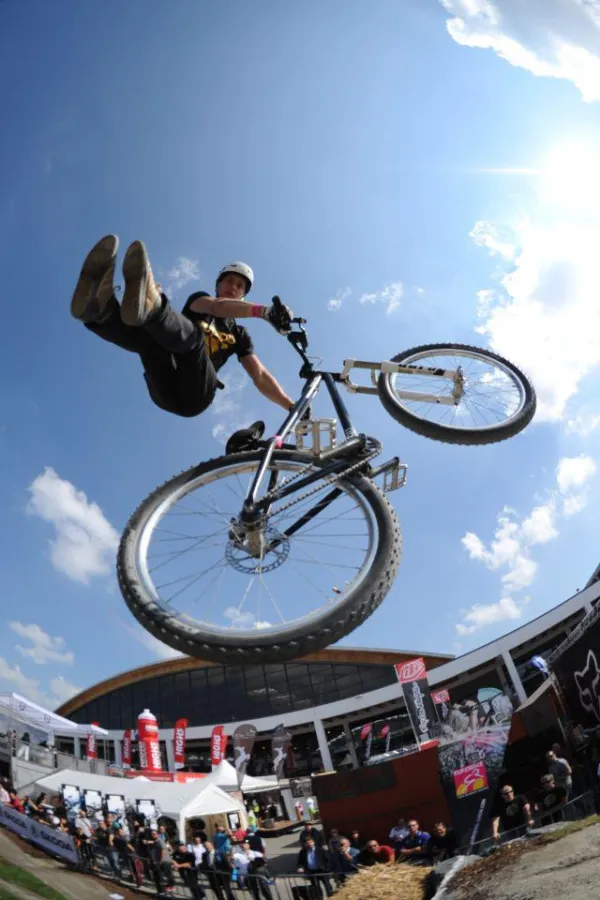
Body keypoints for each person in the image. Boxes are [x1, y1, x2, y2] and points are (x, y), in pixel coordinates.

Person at [70, 236, 295, 422]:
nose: (233, 288)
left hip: (195, 395)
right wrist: (263, 312)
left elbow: (260, 375)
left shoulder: (239, 335)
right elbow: (217, 307)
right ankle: (100, 312)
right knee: (150, 341)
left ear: (244, 294)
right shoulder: (201, 300)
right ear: (218, 285)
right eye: (229, 282)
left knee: (194, 343)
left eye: (239, 286)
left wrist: (291, 406)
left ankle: (152, 309)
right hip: (163, 385)